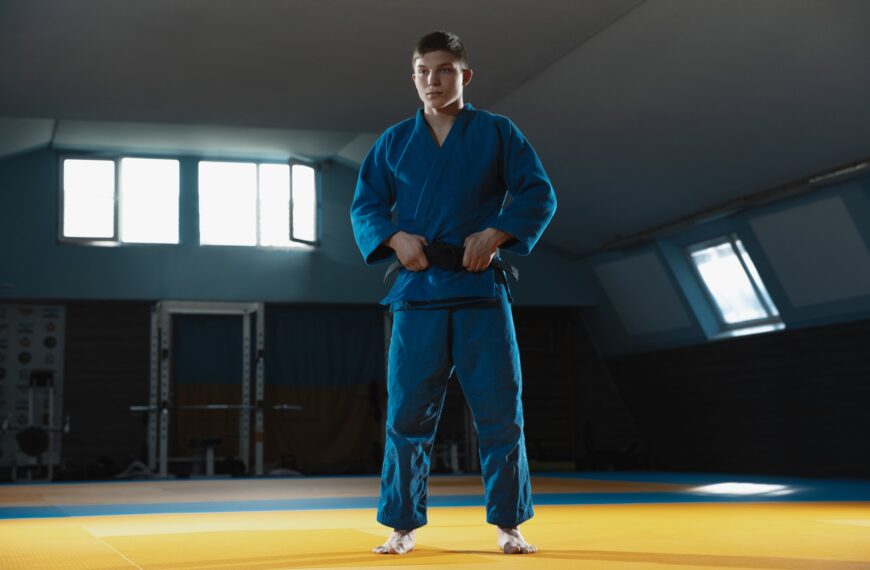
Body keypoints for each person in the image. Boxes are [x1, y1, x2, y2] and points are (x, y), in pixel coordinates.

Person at [350, 30, 556, 555]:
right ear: (413, 76)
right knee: (406, 414)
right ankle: (401, 524)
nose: (432, 80)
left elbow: (537, 192)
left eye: (444, 70)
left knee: (500, 411)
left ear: (465, 76)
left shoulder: (497, 132)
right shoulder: (394, 141)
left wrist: (498, 233)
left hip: (480, 290)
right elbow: (366, 206)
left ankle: (509, 523)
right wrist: (394, 238)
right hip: (418, 293)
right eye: (423, 70)